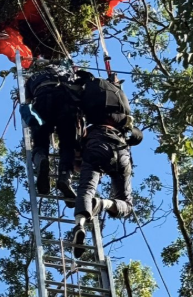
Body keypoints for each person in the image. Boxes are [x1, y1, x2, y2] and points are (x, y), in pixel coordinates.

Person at [72, 73, 143, 257]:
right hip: (122, 150)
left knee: (86, 187)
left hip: (98, 144)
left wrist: (77, 158)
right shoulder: (121, 106)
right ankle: (103, 203)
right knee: (127, 206)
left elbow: (78, 131)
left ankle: (80, 223)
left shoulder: (91, 113)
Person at [23, 61, 83, 200]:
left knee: (40, 141)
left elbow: (27, 101)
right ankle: (64, 177)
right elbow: (79, 91)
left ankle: (41, 160)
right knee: (68, 144)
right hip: (65, 103)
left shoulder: (33, 77)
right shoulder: (67, 74)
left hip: (42, 100)